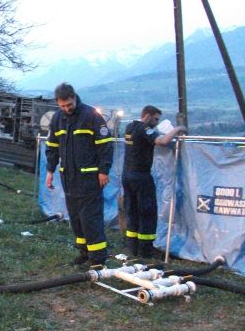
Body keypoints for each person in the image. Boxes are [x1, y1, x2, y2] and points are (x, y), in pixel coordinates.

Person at [45, 83, 114, 267]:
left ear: (75, 98)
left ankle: (98, 258)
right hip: (68, 178)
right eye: (62, 106)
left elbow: (105, 144)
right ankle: (84, 253)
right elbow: (52, 146)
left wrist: (103, 171)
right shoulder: (57, 119)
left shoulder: (91, 115)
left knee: (90, 218)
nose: (67, 109)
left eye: (69, 105)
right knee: (75, 218)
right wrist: (50, 171)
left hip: (90, 178)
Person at [122, 105, 187, 258]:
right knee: (147, 212)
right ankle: (145, 250)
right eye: (156, 119)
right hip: (141, 176)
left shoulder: (130, 127)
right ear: (148, 116)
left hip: (127, 175)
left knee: (132, 211)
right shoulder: (144, 129)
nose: (156, 123)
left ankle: (132, 248)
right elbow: (163, 141)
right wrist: (177, 128)